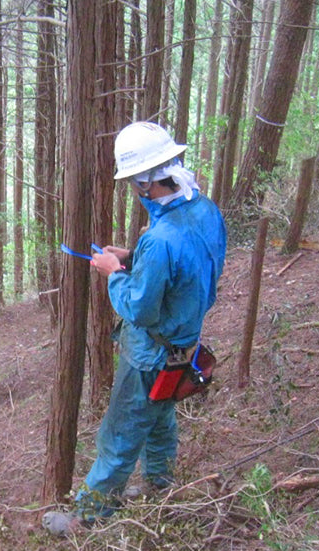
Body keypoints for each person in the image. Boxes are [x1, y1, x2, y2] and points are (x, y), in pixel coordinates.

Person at [43, 121, 227, 536]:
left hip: (151, 352)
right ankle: (160, 484)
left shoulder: (161, 238)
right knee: (159, 416)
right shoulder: (205, 210)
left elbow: (140, 309)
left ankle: (87, 517)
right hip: (184, 345)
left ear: (145, 184)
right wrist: (134, 259)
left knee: (120, 432)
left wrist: (113, 273)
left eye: (133, 185)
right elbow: (194, 268)